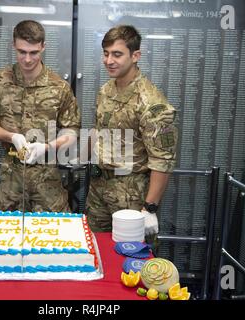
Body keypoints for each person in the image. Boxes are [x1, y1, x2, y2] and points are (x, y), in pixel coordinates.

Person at [85, 25, 178, 244]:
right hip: (99, 186)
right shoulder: (106, 90)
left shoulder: (151, 102)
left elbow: (163, 159)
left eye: (117, 54)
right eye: (106, 54)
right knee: (96, 250)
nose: (109, 61)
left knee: (132, 259)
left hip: (131, 193)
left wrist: (150, 208)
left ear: (135, 56)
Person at [0, 20, 80, 212]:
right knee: (8, 233)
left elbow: (72, 131)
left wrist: (48, 147)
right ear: (13, 46)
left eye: (33, 52)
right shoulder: (0, 80)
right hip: (11, 177)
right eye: (21, 52)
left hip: (47, 179)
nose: (27, 59)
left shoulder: (59, 87)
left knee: (53, 234)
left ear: (43, 47)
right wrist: (11, 136)